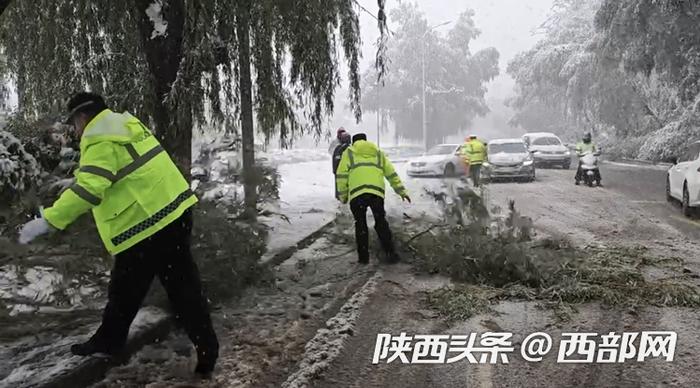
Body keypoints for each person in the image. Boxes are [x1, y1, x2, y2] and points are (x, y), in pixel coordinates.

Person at [18, 92, 219, 377]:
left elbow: (89, 189)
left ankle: (109, 341)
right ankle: (206, 347)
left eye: (74, 123)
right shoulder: (125, 125)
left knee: (128, 289)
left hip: (148, 224)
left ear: (83, 117)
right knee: (179, 286)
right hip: (174, 213)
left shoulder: (99, 137)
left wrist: (49, 220)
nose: (75, 131)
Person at [335, 133, 411, 264]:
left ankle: (363, 259)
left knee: (360, 225)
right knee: (381, 221)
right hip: (376, 193)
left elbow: (341, 175)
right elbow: (391, 173)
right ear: (366, 140)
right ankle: (390, 254)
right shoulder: (378, 152)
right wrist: (401, 191)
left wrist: (343, 196)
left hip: (357, 194)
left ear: (354, 142)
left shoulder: (349, 152)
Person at [332, 131, 352, 199]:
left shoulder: (338, 148)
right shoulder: (351, 148)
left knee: (339, 190)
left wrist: (335, 171)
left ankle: (340, 199)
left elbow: (335, 160)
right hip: (349, 173)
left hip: (339, 173)